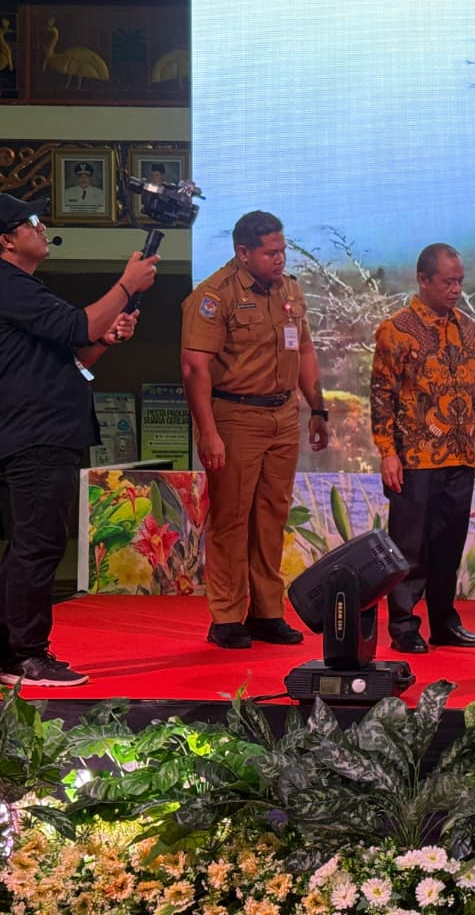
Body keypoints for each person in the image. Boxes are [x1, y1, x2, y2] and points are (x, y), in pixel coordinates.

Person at [0, 192, 157, 686]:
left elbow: (77, 354)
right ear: (6, 240)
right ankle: (25, 655)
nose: (40, 227)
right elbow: (80, 323)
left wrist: (107, 340)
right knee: (39, 544)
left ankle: (14, 651)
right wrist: (125, 285)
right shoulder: (9, 284)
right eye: (30, 222)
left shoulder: (25, 288)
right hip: (36, 433)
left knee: (31, 544)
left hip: (42, 431)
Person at [180, 211, 329, 649]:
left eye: (282, 250)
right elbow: (194, 368)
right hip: (235, 415)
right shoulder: (213, 295)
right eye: (270, 252)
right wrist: (208, 432)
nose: (279, 259)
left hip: (283, 415)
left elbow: (303, 347)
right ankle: (226, 617)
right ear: (242, 253)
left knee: (271, 516)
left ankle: (266, 612)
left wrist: (317, 408)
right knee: (231, 516)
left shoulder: (289, 290)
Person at [370, 243, 475, 653]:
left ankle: (444, 622)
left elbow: (473, 393)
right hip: (414, 458)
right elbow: (381, 395)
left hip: (459, 455)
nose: (456, 290)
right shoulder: (396, 330)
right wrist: (387, 450)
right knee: (410, 547)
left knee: (449, 543)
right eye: (447, 282)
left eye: (460, 282)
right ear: (423, 280)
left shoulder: (467, 329)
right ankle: (404, 627)